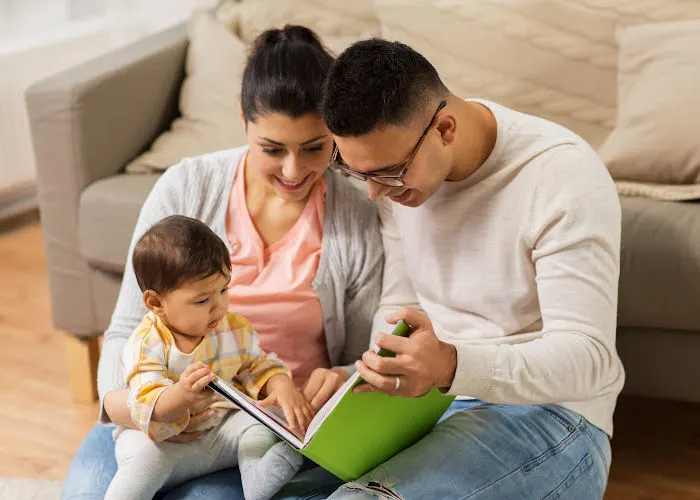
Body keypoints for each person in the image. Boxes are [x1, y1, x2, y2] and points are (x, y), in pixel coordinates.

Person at [277, 38, 625, 499]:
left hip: (552, 416)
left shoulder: (561, 177)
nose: (375, 194)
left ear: (444, 128)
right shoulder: (396, 180)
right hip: (428, 403)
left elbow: (589, 359)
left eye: (388, 173)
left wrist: (451, 365)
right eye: (356, 171)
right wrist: (368, 376)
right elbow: (402, 301)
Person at [61, 25, 383, 500]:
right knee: (91, 493)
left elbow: (363, 355)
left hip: (265, 429)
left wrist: (336, 378)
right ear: (242, 119)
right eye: (272, 149)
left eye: (315, 147)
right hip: (154, 412)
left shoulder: (356, 215)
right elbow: (127, 326)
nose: (293, 171)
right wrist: (134, 410)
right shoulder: (186, 186)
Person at [104, 215, 313, 500]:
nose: (219, 307)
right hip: (163, 442)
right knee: (142, 464)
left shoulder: (234, 328)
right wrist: (181, 395)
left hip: (216, 433)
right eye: (202, 300)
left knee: (258, 423)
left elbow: (258, 366)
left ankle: (258, 483)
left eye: (224, 290)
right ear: (156, 303)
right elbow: (144, 401)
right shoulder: (147, 342)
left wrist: (282, 387)